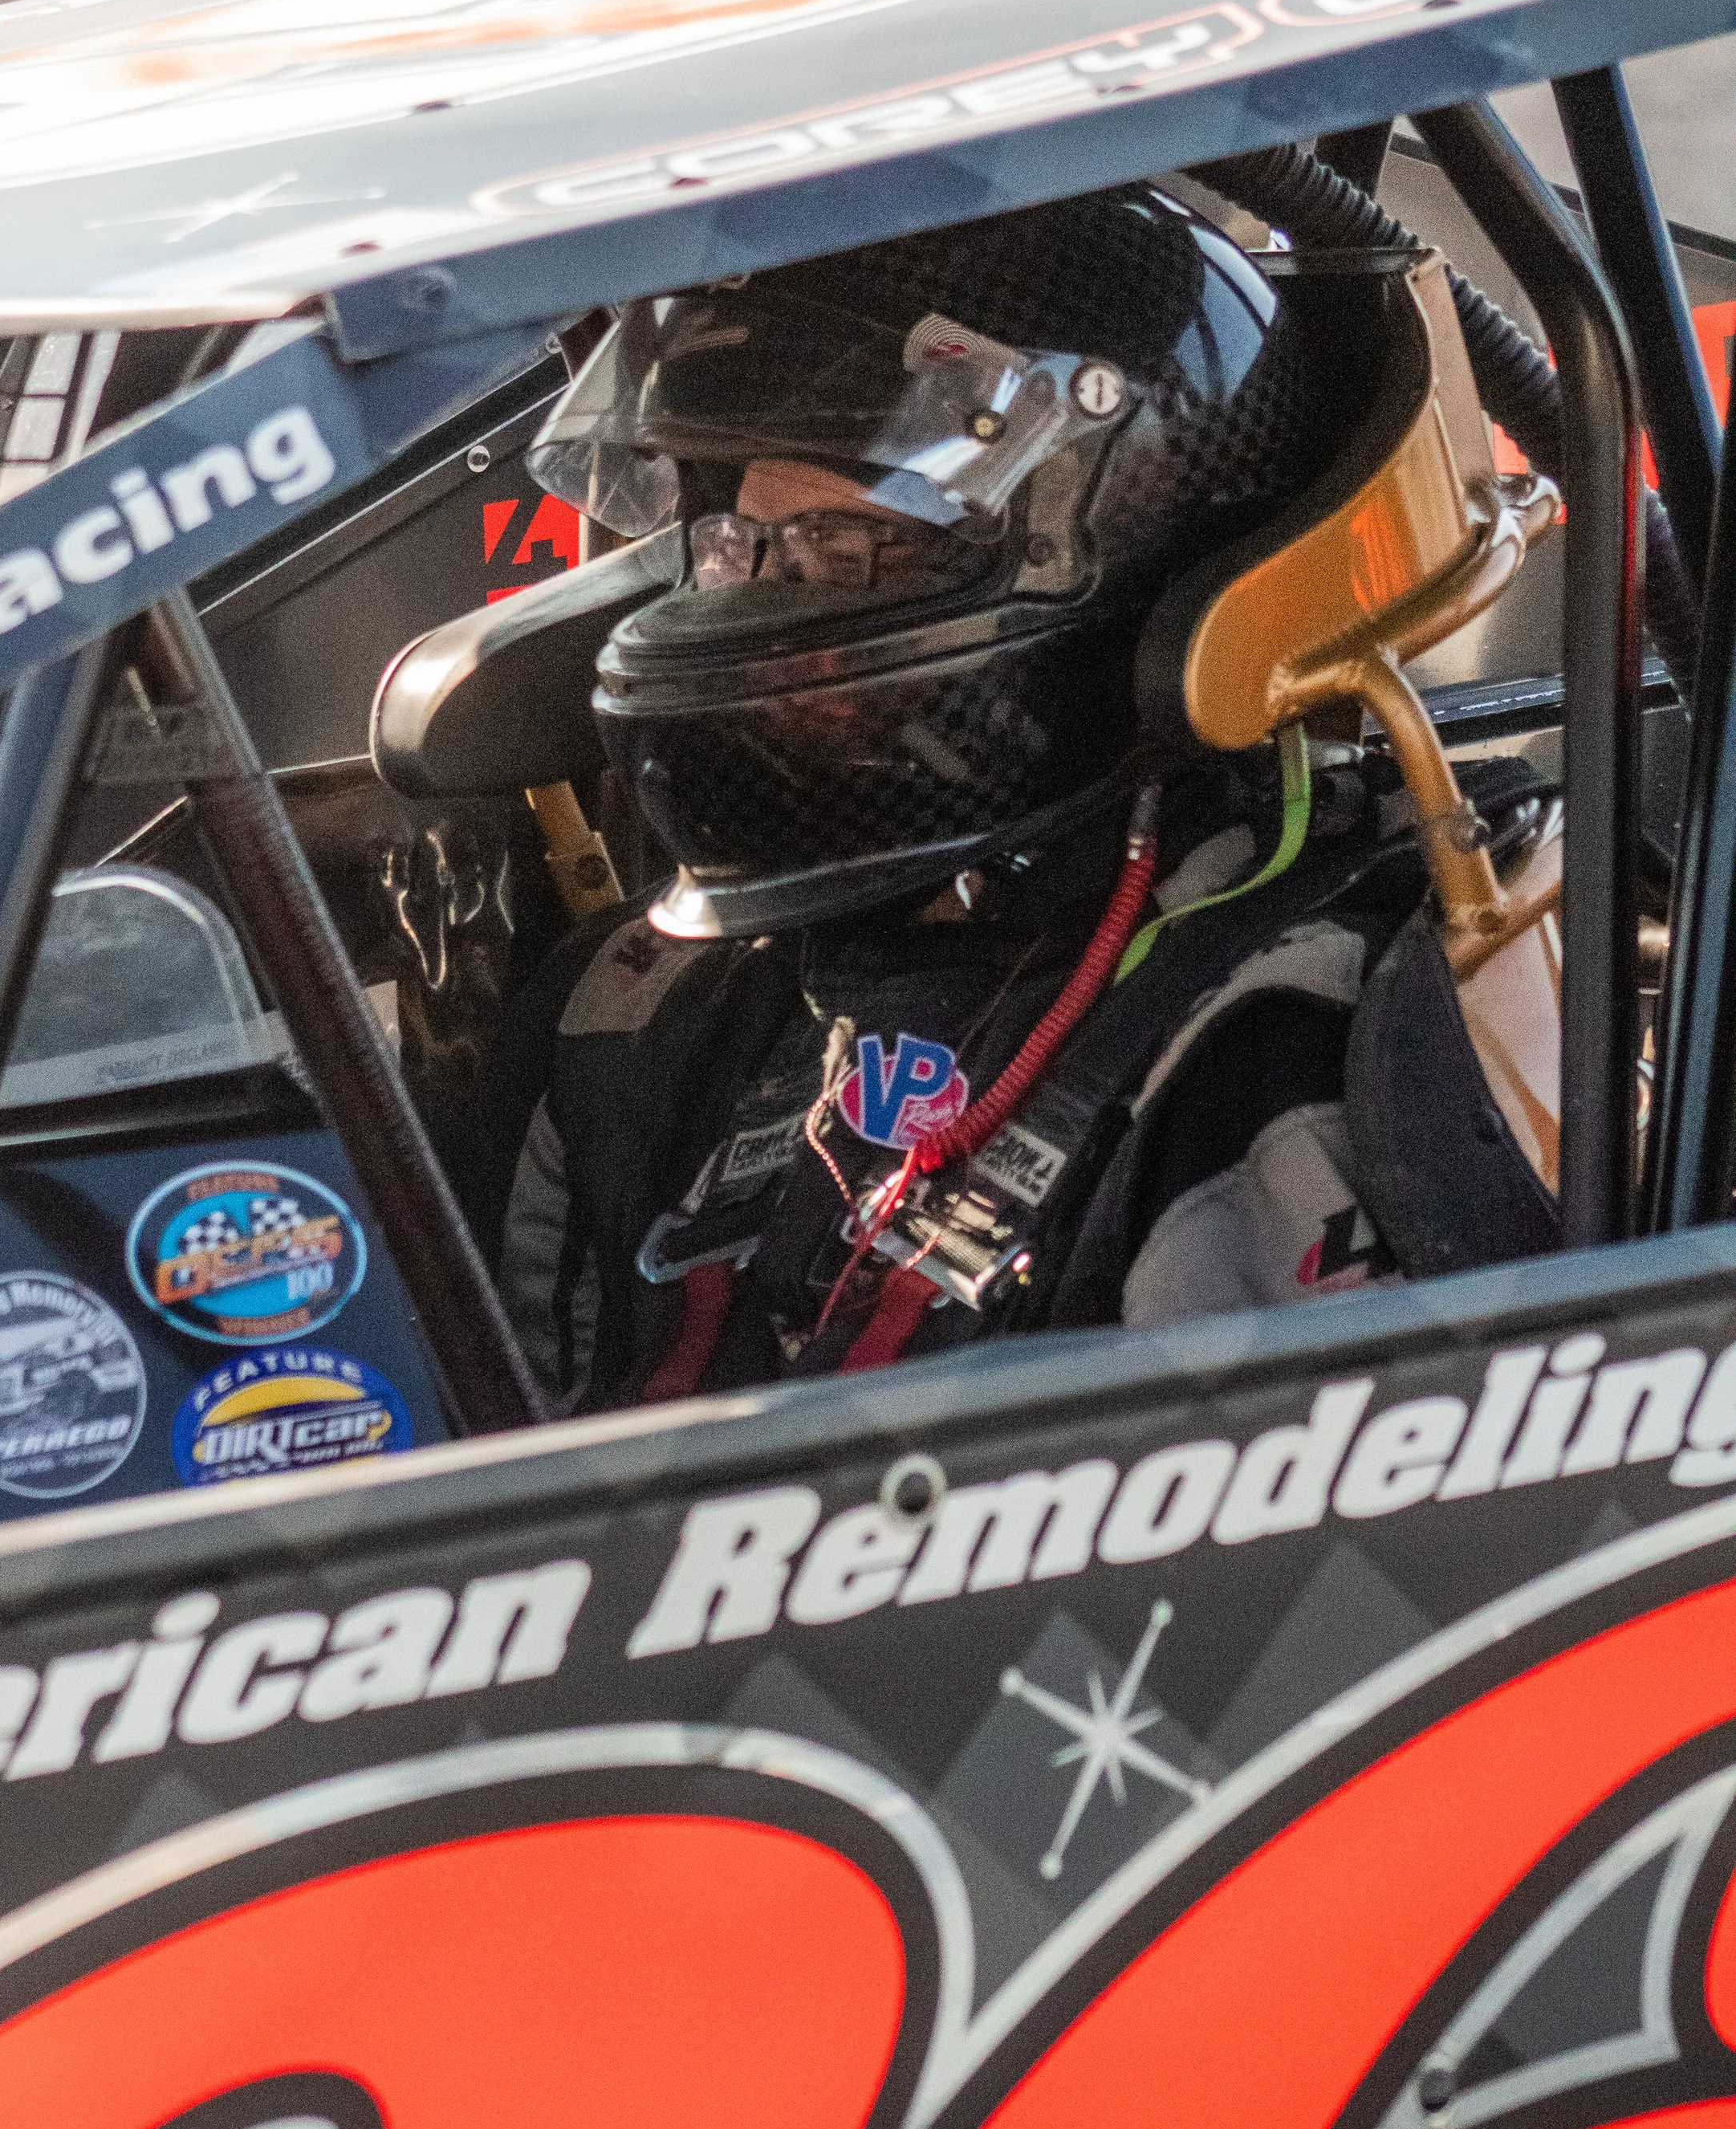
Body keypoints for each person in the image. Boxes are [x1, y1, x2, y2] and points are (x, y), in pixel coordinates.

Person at [459, 182, 1558, 1413]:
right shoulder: (640, 1017)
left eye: (843, 551)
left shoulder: (1274, 1063)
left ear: (1120, 546)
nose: (762, 606)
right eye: (744, 550)